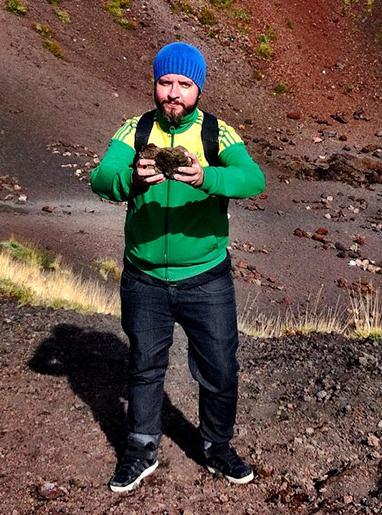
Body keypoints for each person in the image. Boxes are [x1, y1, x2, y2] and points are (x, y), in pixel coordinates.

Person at [90, 42, 265, 493]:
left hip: (206, 277)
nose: (174, 93)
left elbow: (253, 178)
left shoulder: (216, 133)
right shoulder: (135, 128)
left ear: (198, 88)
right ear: (155, 83)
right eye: (166, 82)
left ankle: (215, 446)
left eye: (184, 85)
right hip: (144, 276)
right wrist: (130, 178)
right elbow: (101, 176)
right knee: (145, 366)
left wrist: (208, 177)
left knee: (221, 369)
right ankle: (141, 447)